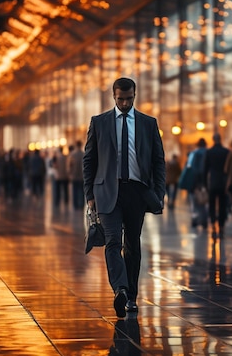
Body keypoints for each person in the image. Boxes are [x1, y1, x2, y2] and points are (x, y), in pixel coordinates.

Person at [83, 77, 165, 318]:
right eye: (121, 99)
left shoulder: (148, 123)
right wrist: (90, 195)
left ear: (135, 95)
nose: (125, 103)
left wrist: (158, 193)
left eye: (129, 99)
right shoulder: (99, 123)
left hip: (137, 192)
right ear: (113, 96)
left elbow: (158, 160)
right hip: (108, 191)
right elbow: (89, 160)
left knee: (132, 244)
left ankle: (131, 296)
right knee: (112, 242)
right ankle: (120, 289)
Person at [204, 133, 230, 239]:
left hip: (213, 182)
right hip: (223, 182)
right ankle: (222, 226)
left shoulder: (209, 152)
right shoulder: (226, 152)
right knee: (223, 205)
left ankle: (214, 225)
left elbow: (205, 169)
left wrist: (205, 184)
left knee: (212, 205)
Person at [187, 138, 208, 229]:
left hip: (195, 182)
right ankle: (204, 220)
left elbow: (190, 167)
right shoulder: (208, 152)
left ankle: (195, 220)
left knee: (194, 202)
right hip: (206, 182)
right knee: (205, 201)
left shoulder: (194, 154)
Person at [67, 141, 85, 210]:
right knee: (82, 191)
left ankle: (75, 205)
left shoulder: (72, 155)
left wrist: (70, 174)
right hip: (82, 176)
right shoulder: (83, 154)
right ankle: (82, 205)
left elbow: (69, 166)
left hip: (74, 176)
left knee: (74, 191)